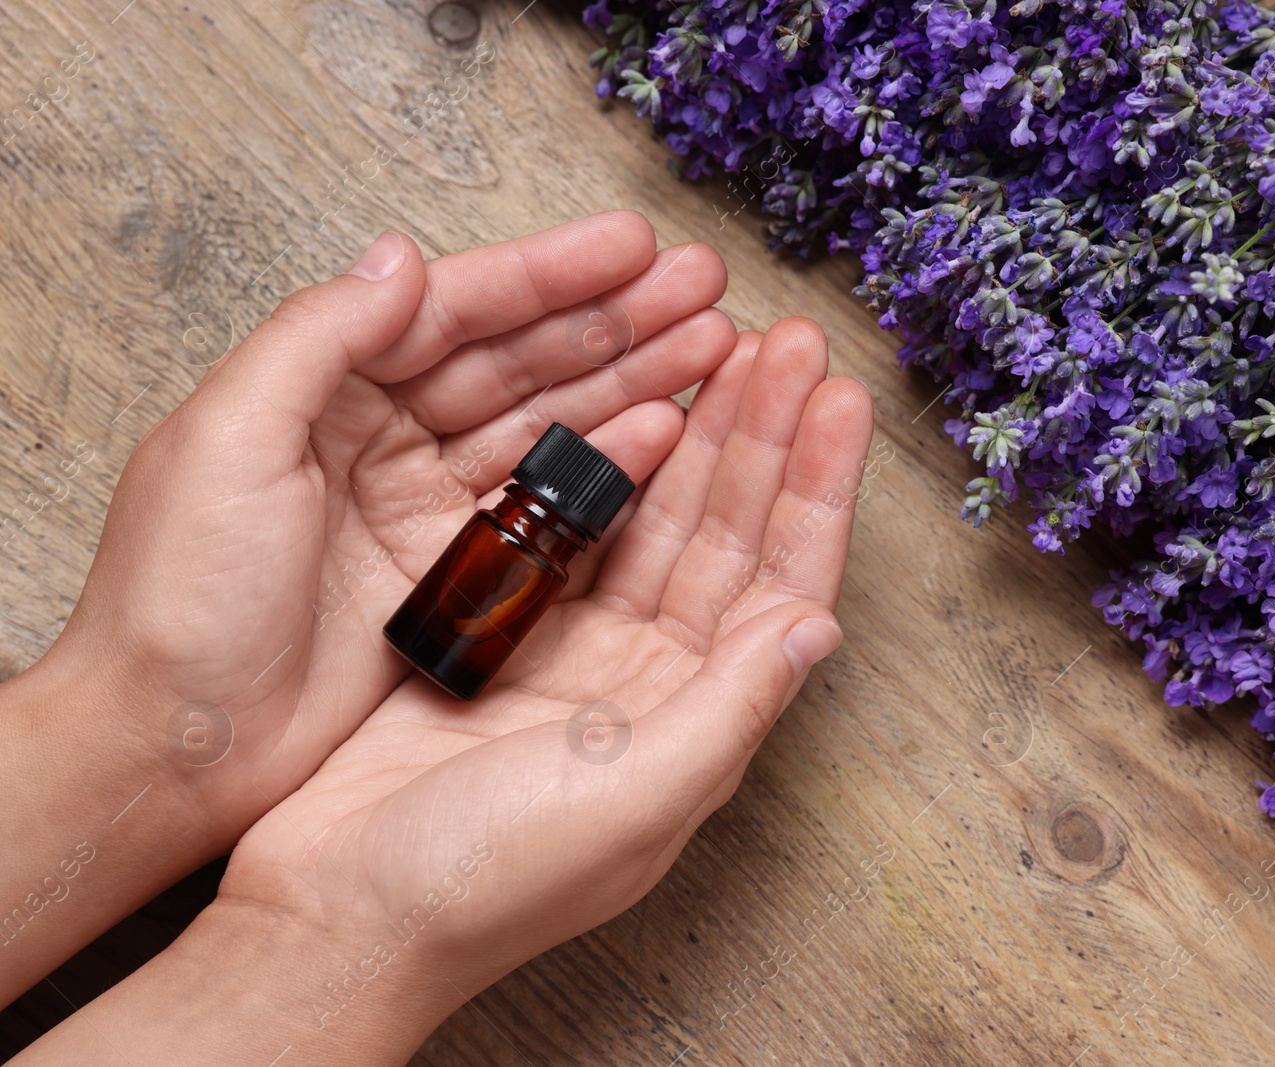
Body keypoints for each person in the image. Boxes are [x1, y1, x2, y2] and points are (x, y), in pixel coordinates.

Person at [0, 211, 873, 1063]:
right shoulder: (518, 534)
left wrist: (144, 724)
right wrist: (343, 937)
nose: (529, 534)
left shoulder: (522, 541)